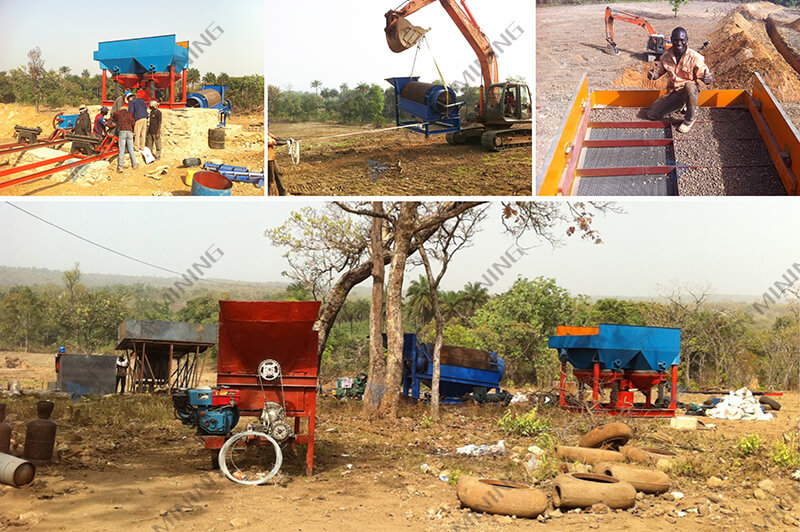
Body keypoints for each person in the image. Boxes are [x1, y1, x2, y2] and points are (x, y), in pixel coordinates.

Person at [647, 27, 713, 133]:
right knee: (651, 114)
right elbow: (657, 73)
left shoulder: (695, 57)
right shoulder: (665, 57)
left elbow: (705, 76)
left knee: (689, 86)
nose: (679, 43)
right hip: (673, 92)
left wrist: (708, 79)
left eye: (682, 40)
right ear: (671, 39)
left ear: (687, 40)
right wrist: (651, 74)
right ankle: (680, 105)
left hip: (688, 92)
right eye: (676, 40)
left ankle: (689, 119)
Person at [109, 104, 137, 173]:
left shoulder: (119, 113)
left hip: (122, 132)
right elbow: (133, 123)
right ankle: (134, 165)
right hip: (130, 132)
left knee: (121, 149)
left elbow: (113, 113)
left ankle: (120, 167)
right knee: (131, 149)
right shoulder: (130, 114)